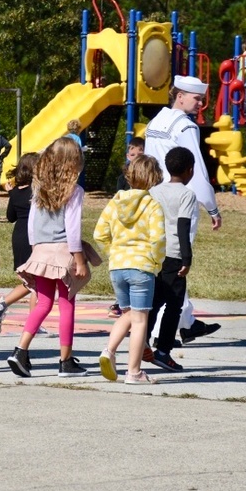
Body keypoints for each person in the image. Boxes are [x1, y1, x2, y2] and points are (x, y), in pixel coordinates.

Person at [6, 137, 97, 378]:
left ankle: (20, 350)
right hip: (63, 251)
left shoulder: (38, 189)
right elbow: (72, 227)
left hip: (41, 251)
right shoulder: (74, 191)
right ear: (73, 162)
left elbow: (32, 225)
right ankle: (65, 361)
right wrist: (79, 259)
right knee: (67, 305)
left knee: (43, 303)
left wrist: (36, 248)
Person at [144, 75, 222, 345]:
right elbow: (197, 170)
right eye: (196, 98)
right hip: (179, 198)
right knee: (176, 264)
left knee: (163, 260)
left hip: (155, 195)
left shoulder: (156, 121)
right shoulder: (185, 127)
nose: (200, 103)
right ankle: (158, 334)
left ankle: (186, 323)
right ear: (180, 96)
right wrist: (212, 207)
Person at [94, 155, 166, 384]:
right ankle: (134, 372)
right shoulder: (153, 206)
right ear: (155, 178)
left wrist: (113, 252)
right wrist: (156, 262)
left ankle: (109, 351)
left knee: (127, 314)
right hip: (141, 266)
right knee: (140, 320)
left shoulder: (115, 201)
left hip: (117, 267)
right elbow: (158, 239)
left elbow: (99, 233)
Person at [147, 146, 198, 373]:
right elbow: (183, 225)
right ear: (190, 170)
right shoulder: (187, 194)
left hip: (154, 254)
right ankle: (163, 352)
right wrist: (186, 258)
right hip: (175, 255)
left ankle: (141, 343)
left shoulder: (155, 191)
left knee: (153, 303)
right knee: (173, 306)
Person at [0, 152, 40, 333]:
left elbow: (10, 217)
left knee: (32, 281)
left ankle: (6, 306)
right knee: (38, 282)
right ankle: (32, 322)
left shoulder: (16, 192)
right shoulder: (36, 191)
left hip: (18, 236)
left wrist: (12, 194)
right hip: (33, 237)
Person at [109, 135, 146, 318]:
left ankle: (131, 301)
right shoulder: (122, 179)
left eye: (139, 155)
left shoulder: (148, 180)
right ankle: (121, 301)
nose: (134, 159)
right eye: (132, 155)